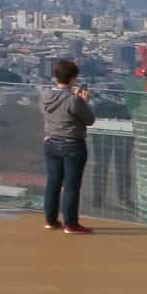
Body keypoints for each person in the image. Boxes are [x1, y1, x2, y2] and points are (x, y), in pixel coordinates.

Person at [42, 59, 95, 234]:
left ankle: (51, 220)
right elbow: (90, 120)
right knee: (71, 186)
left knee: (53, 183)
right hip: (72, 144)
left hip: (51, 142)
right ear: (73, 78)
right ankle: (71, 224)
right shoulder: (74, 100)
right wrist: (84, 101)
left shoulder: (45, 95)